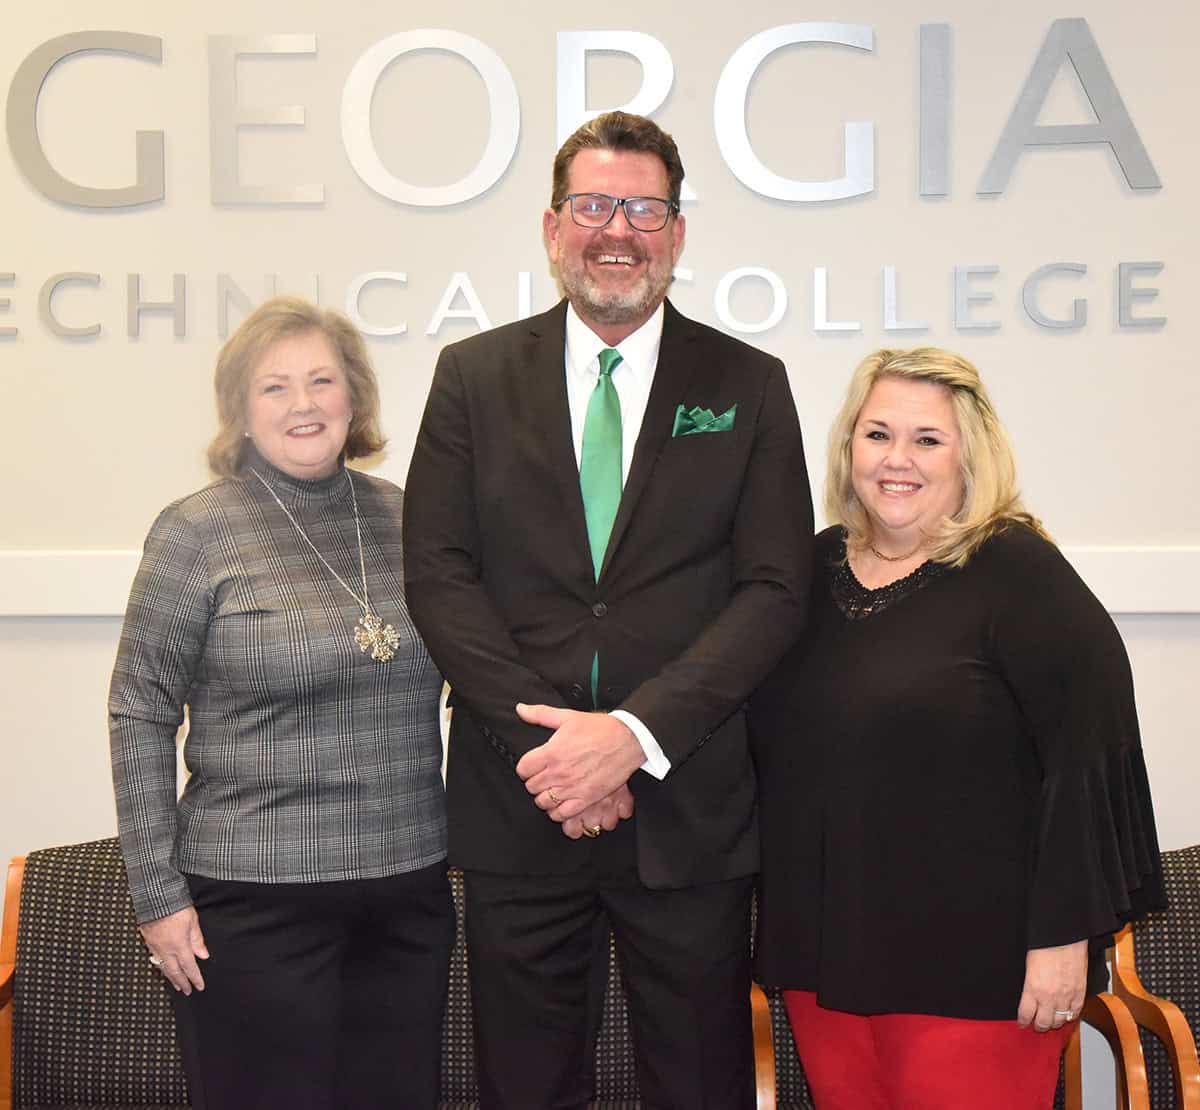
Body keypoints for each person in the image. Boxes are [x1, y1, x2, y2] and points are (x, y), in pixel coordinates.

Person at [403, 110, 812, 1109]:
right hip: (522, 800)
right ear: (552, 230)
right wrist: (555, 754)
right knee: (526, 1087)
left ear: (676, 233)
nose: (616, 230)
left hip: (689, 813)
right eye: (593, 206)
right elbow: (440, 576)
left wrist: (631, 736)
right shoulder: (472, 378)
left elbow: (775, 589)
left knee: (697, 1084)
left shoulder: (748, 386)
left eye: (643, 208)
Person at [751, 347, 1165, 1110]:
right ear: (848, 448)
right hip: (825, 954)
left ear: (970, 455)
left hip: (980, 967)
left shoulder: (1017, 571)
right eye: (877, 435)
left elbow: (1088, 756)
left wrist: (1065, 939)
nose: (896, 460)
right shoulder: (805, 572)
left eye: (926, 440)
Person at [108, 296, 453, 1110]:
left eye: (321, 380)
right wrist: (157, 895)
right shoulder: (196, 532)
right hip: (252, 906)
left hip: (407, 896)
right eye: (275, 387)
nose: (303, 404)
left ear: (354, 398)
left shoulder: (411, 518)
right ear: (240, 410)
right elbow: (139, 711)